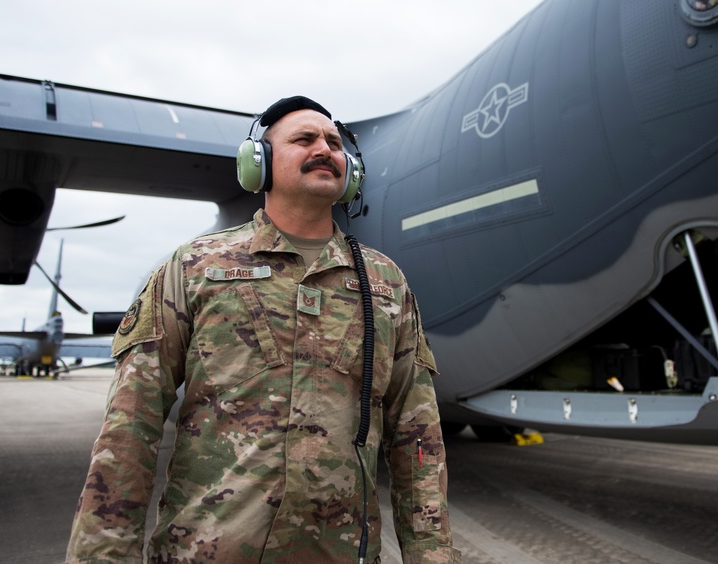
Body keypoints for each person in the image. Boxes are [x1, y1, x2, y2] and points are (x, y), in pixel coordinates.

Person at [66, 96, 460, 563]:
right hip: (207, 552)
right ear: (260, 164)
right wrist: (102, 555)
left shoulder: (385, 283)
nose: (325, 149)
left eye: (334, 143)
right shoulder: (196, 267)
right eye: (304, 139)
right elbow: (131, 424)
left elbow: (418, 438)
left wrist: (432, 556)